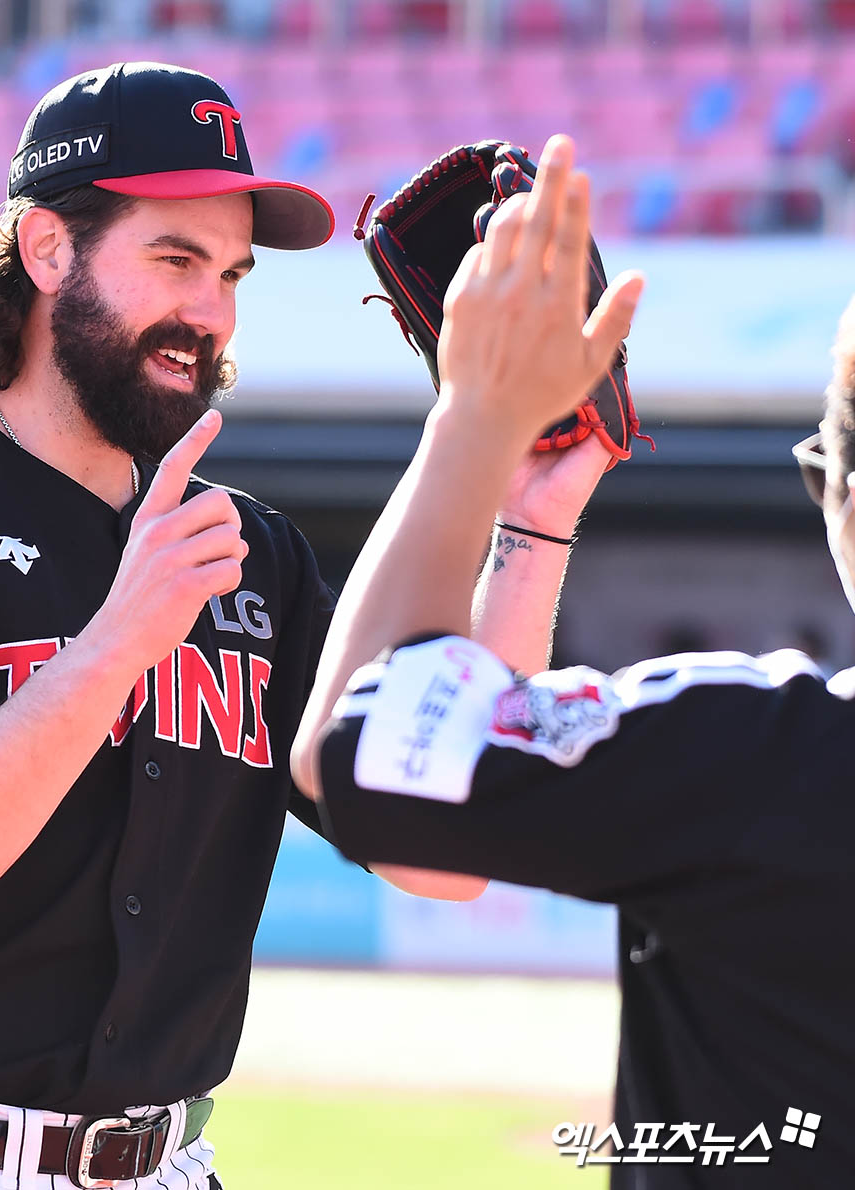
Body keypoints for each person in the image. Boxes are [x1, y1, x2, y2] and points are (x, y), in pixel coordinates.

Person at [0, 61, 490, 1190]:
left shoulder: (251, 553)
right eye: (176, 260)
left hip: (166, 1163)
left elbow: (444, 848)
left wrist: (526, 494)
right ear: (48, 250)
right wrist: (117, 644)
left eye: (231, 275)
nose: (212, 313)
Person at [293, 133, 855, 1186]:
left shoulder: (754, 751)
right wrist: (531, 523)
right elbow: (439, 837)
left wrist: (476, 418)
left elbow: (365, 758)